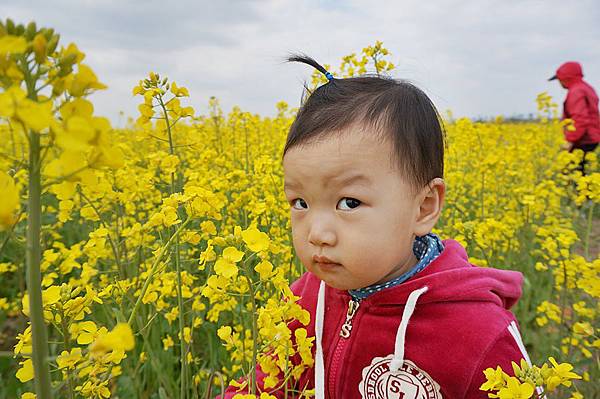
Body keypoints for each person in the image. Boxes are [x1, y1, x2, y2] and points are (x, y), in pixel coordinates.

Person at [222, 55, 531, 398]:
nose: (316, 234)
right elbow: (266, 386)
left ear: (424, 207)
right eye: (300, 203)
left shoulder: (479, 334)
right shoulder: (303, 300)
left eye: (349, 203)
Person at [549, 61, 600, 175]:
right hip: (591, 138)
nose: (559, 83)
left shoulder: (576, 91)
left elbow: (580, 118)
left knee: (573, 174)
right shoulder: (586, 88)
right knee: (579, 173)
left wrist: (570, 140)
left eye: (559, 79)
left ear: (566, 78)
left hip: (583, 139)